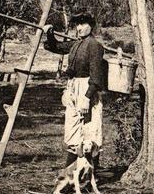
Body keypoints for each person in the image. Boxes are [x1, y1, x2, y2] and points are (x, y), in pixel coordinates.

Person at [43, 11, 107, 176]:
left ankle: (88, 175)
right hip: (74, 88)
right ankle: (71, 175)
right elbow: (56, 47)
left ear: (91, 26)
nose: (79, 28)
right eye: (77, 24)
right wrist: (49, 33)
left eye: (83, 24)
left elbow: (96, 76)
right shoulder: (76, 44)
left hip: (87, 89)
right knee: (73, 131)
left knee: (89, 132)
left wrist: (87, 97)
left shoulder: (94, 46)